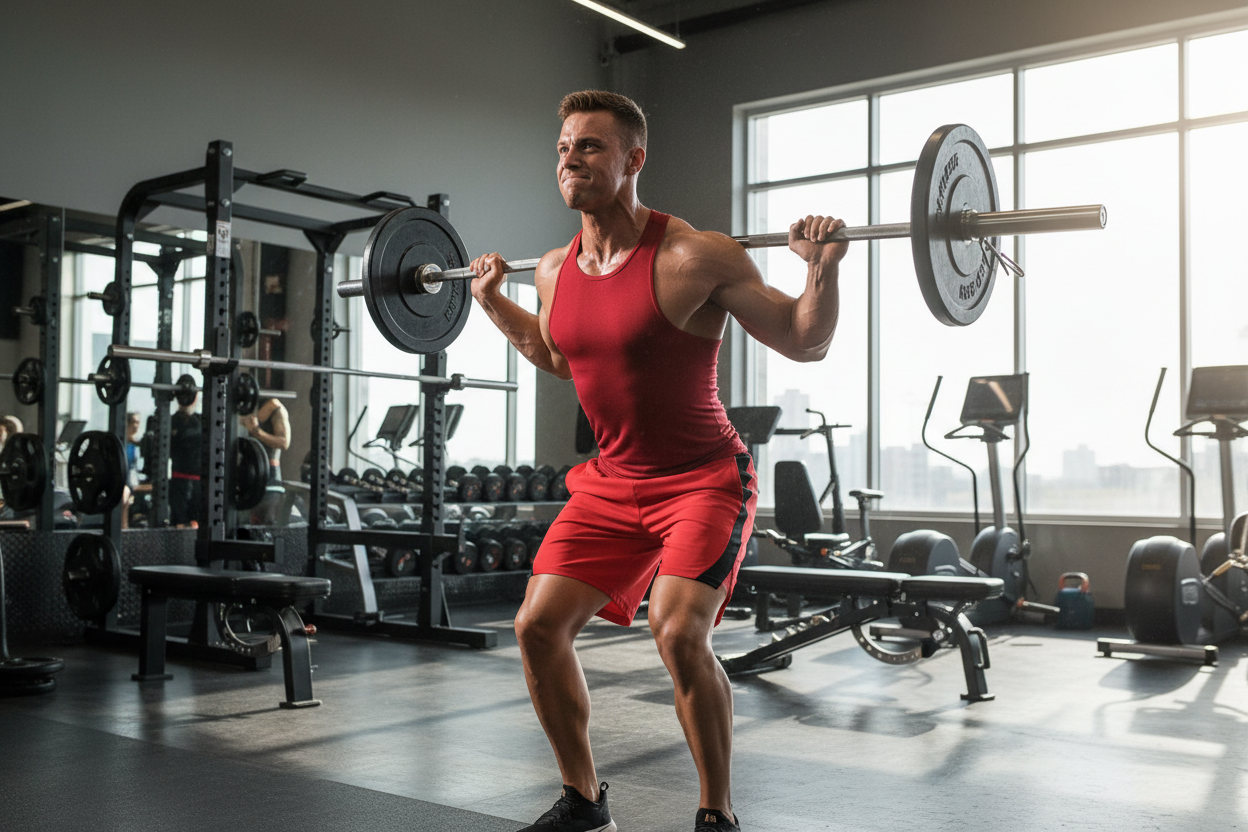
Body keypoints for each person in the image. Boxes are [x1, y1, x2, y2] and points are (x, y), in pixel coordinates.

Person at [468, 90, 846, 832]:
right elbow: (559, 353)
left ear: (633, 160)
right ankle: (583, 801)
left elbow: (806, 340)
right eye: (564, 147)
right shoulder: (552, 268)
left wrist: (822, 269)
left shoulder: (694, 255)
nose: (571, 159)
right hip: (611, 483)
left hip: (703, 480)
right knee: (536, 627)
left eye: (591, 147)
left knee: (677, 631)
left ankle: (716, 813)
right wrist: (494, 304)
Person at [238, 398, 290, 524]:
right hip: (249, 474)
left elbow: (284, 442)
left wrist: (257, 432)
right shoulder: (242, 404)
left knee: (265, 522)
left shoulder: (275, 407)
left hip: (269, 475)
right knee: (246, 523)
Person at [169, 392, 202, 528]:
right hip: (179, 480)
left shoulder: (200, 420)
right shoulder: (171, 421)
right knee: (180, 523)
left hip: (198, 482)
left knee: (196, 523)